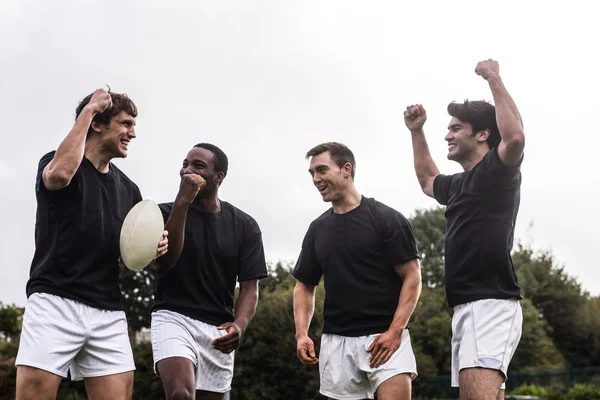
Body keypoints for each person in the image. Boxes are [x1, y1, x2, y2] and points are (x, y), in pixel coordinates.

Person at [15, 88, 168, 400]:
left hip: (108, 310)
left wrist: (153, 246)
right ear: (98, 124)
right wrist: (89, 110)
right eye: (125, 124)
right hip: (54, 302)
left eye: (134, 125)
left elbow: (130, 256)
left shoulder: (129, 190)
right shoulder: (56, 163)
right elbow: (58, 175)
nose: (133, 133)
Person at [404, 59, 525, 400]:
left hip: (489, 303)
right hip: (465, 308)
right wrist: (416, 131)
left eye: (456, 128)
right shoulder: (458, 185)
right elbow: (428, 180)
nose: (448, 134)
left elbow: (514, 136)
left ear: (482, 133)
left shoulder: (497, 172)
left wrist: (493, 77)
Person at [293, 142, 422, 400]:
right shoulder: (317, 229)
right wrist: (301, 334)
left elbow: (413, 277)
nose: (316, 179)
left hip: (386, 339)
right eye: (312, 174)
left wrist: (395, 331)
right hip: (336, 342)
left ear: (346, 169)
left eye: (321, 170)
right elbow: (304, 286)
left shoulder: (386, 219)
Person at [151, 143, 268, 400]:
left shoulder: (245, 226)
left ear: (218, 177)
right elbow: (166, 261)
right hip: (173, 318)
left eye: (198, 166)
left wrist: (240, 325)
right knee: (181, 394)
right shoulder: (163, 213)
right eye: (185, 164)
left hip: (217, 329)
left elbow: (250, 288)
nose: (187, 170)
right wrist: (183, 201)